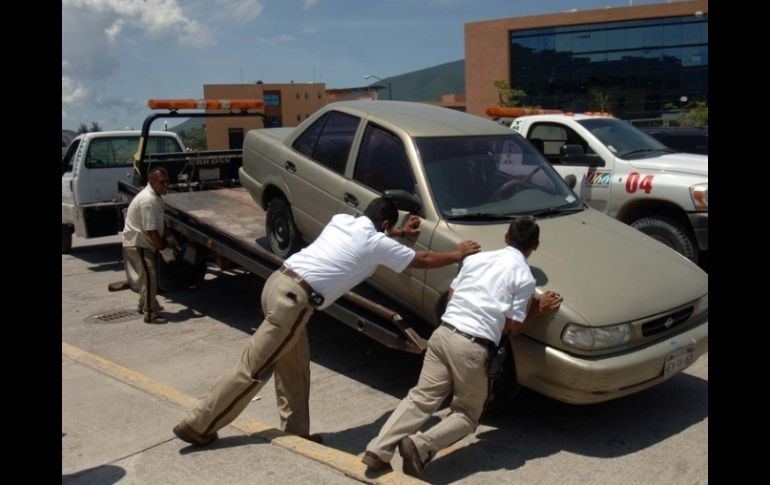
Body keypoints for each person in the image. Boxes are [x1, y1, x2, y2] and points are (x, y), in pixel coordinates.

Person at [172, 197, 481, 447]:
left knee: (295, 364)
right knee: (253, 368)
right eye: (391, 228)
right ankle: (199, 424)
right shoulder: (377, 242)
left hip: (277, 284)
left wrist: (399, 234)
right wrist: (457, 253)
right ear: (385, 224)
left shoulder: (343, 220)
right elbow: (422, 260)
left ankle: (296, 431)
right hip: (295, 302)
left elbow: (374, 238)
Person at [362, 216, 562, 478]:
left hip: (444, 333)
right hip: (472, 346)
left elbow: (452, 296)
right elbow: (509, 328)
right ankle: (420, 446)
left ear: (506, 237)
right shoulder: (524, 278)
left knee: (421, 397)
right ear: (534, 246)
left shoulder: (476, 259)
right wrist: (538, 309)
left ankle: (378, 450)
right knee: (467, 415)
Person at [122, 167, 175, 324]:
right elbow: (151, 230)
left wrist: (170, 237)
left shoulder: (158, 198)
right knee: (150, 276)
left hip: (145, 242)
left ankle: (143, 304)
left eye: (167, 181)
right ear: (151, 182)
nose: (166, 185)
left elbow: (160, 222)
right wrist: (164, 249)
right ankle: (150, 313)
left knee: (146, 276)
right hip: (138, 243)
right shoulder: (147, 200)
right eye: (161, 182)